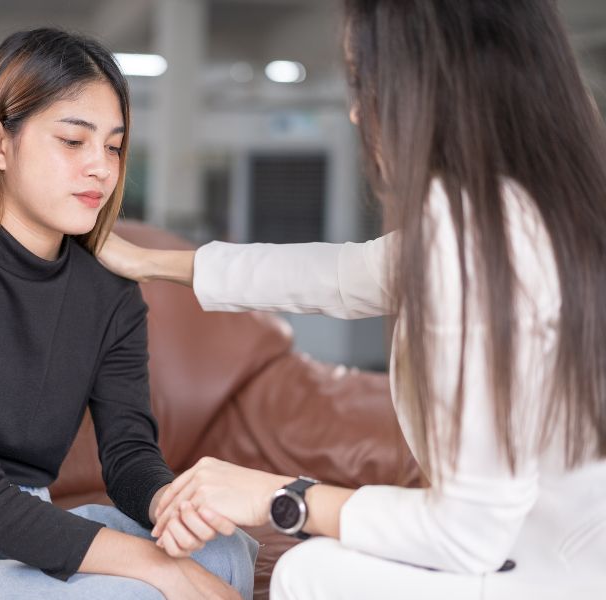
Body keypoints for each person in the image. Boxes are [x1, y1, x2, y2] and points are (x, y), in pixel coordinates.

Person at [96, 1, 606, 598]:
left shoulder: (469, 235)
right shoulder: (544, 204)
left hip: (550, 570)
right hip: (564, 550)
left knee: (309, 573)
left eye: (365, 82)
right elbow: (341, 274)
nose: (359, 112)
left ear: (426, 87)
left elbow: (469, 535)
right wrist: (147, 262)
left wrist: (278, 496)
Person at [0, 28, 256, 600]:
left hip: (33, 523)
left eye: (112, 145)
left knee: (225, 552)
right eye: (73, 141)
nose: (101, 169)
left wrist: (169, 505)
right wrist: (158, 567)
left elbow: (129, 455)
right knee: (146, 589)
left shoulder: (111, 292)